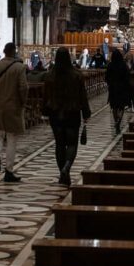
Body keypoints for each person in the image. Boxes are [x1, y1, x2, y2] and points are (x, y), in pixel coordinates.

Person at [42, 47, 91, 186]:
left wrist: (44, 112)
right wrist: (86, 113)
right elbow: (83, 96)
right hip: (72, 112)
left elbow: (45, 96)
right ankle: (67, 167)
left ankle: (62, 174)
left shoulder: (50, 75)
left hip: (55, 113)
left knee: (59, 144)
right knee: (72, 143)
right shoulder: (76, 75)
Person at [0, 42, 28, 182]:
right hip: (13, 106)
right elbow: (23, 87)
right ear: (14, 52)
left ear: (3, 51)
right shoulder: (19, 67)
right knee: (11, 139)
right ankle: (9, 170)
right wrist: (23, 102)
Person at [105, 48, 132, 134]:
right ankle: (118, 122)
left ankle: (116, 120)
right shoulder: (124, 65)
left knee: (114, 107)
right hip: (122, 89)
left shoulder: (110, 65)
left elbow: (106, 78)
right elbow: (127, 77)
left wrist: (110, 83)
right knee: (121, 106)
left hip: (113, 89)